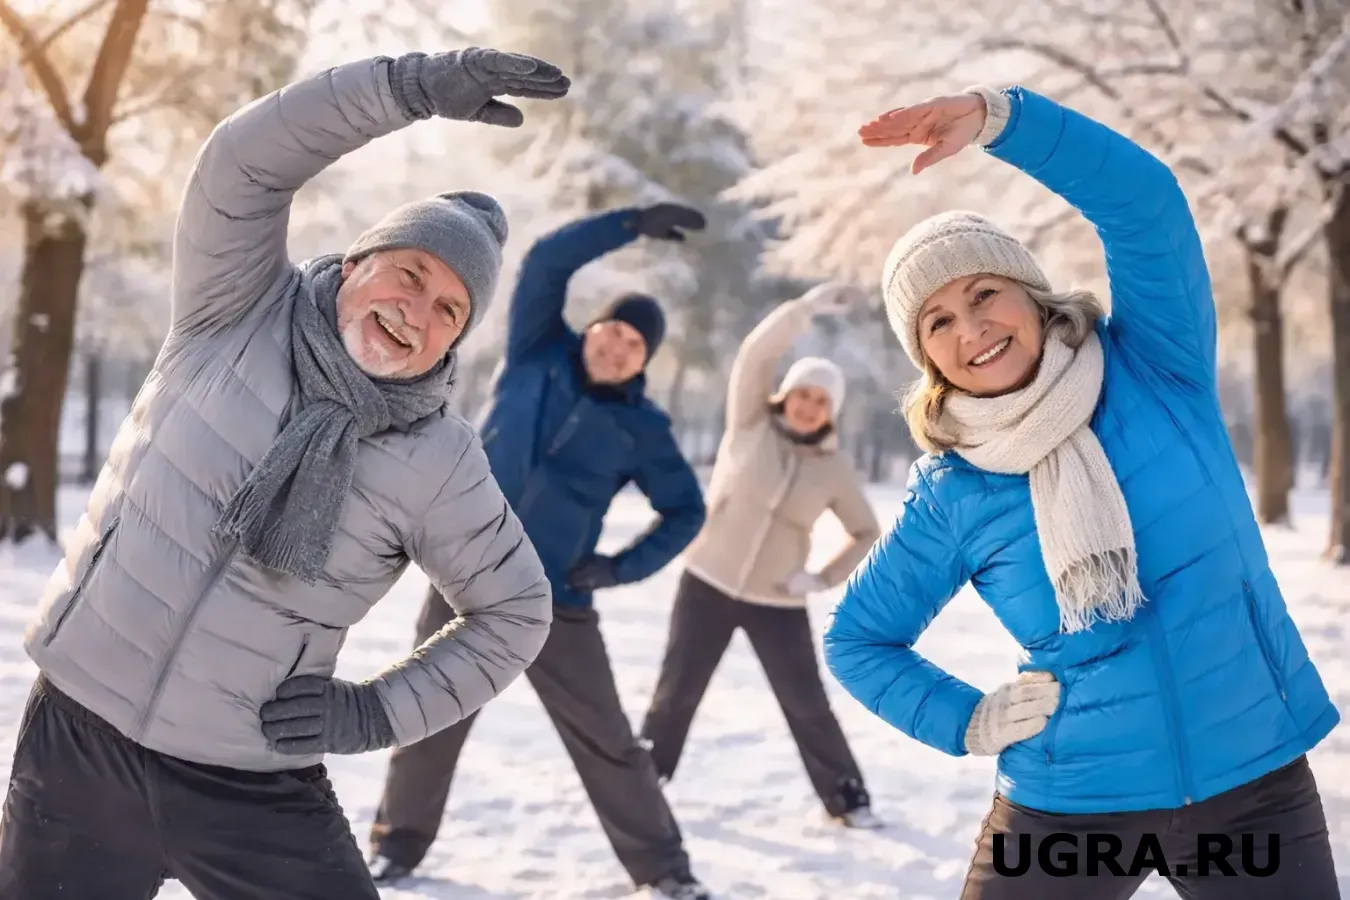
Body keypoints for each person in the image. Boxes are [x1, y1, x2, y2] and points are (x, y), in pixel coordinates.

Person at [0, 48, 569, 900]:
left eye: (449, 309)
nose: (415, 312)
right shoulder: (234, 304)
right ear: (359, 262)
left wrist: (373, 712)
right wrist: (407, 87)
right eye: (410, 273)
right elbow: (242, 163)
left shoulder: (438, 458)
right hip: (81, 739)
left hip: (250, 780)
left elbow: (516, 611)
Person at [823, 83, 1342, 900]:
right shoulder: (956, 488)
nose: (973, 330)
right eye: (938, 322)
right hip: (1073, 805)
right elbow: (858, 639)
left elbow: (1148, 207)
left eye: (984, 293)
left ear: (1029, 294)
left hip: (1252, 785)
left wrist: (1005, 120)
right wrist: (966, 720)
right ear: (925, 357)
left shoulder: (1156, 369)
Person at [367, 205, 713, 899]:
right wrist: (630, 224)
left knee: (608, 742)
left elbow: (686, 510)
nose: (616, 349)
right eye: (611, 332)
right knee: (429, 718)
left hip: (554, 599)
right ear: (591, 330)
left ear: (644, 362)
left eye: (633, 348)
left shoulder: (641, 428)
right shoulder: (536, 352)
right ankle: (398, 845)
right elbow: (547, 259)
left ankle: (665, 871)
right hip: (463, 579)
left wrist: (616, 568)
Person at [638, 282, 882, 828]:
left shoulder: (834, 469)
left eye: (821, 400)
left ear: (830, 413)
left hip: (778, 598)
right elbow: (755, 355)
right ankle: (645, 779)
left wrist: (819, 578)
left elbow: (865, 530)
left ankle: (848, 797)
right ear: (786, 395)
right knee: (676, 692)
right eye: (803, 393)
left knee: (805, 703)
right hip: (708, 578)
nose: (808, 405)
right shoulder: (749, 422)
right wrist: (803, 311)